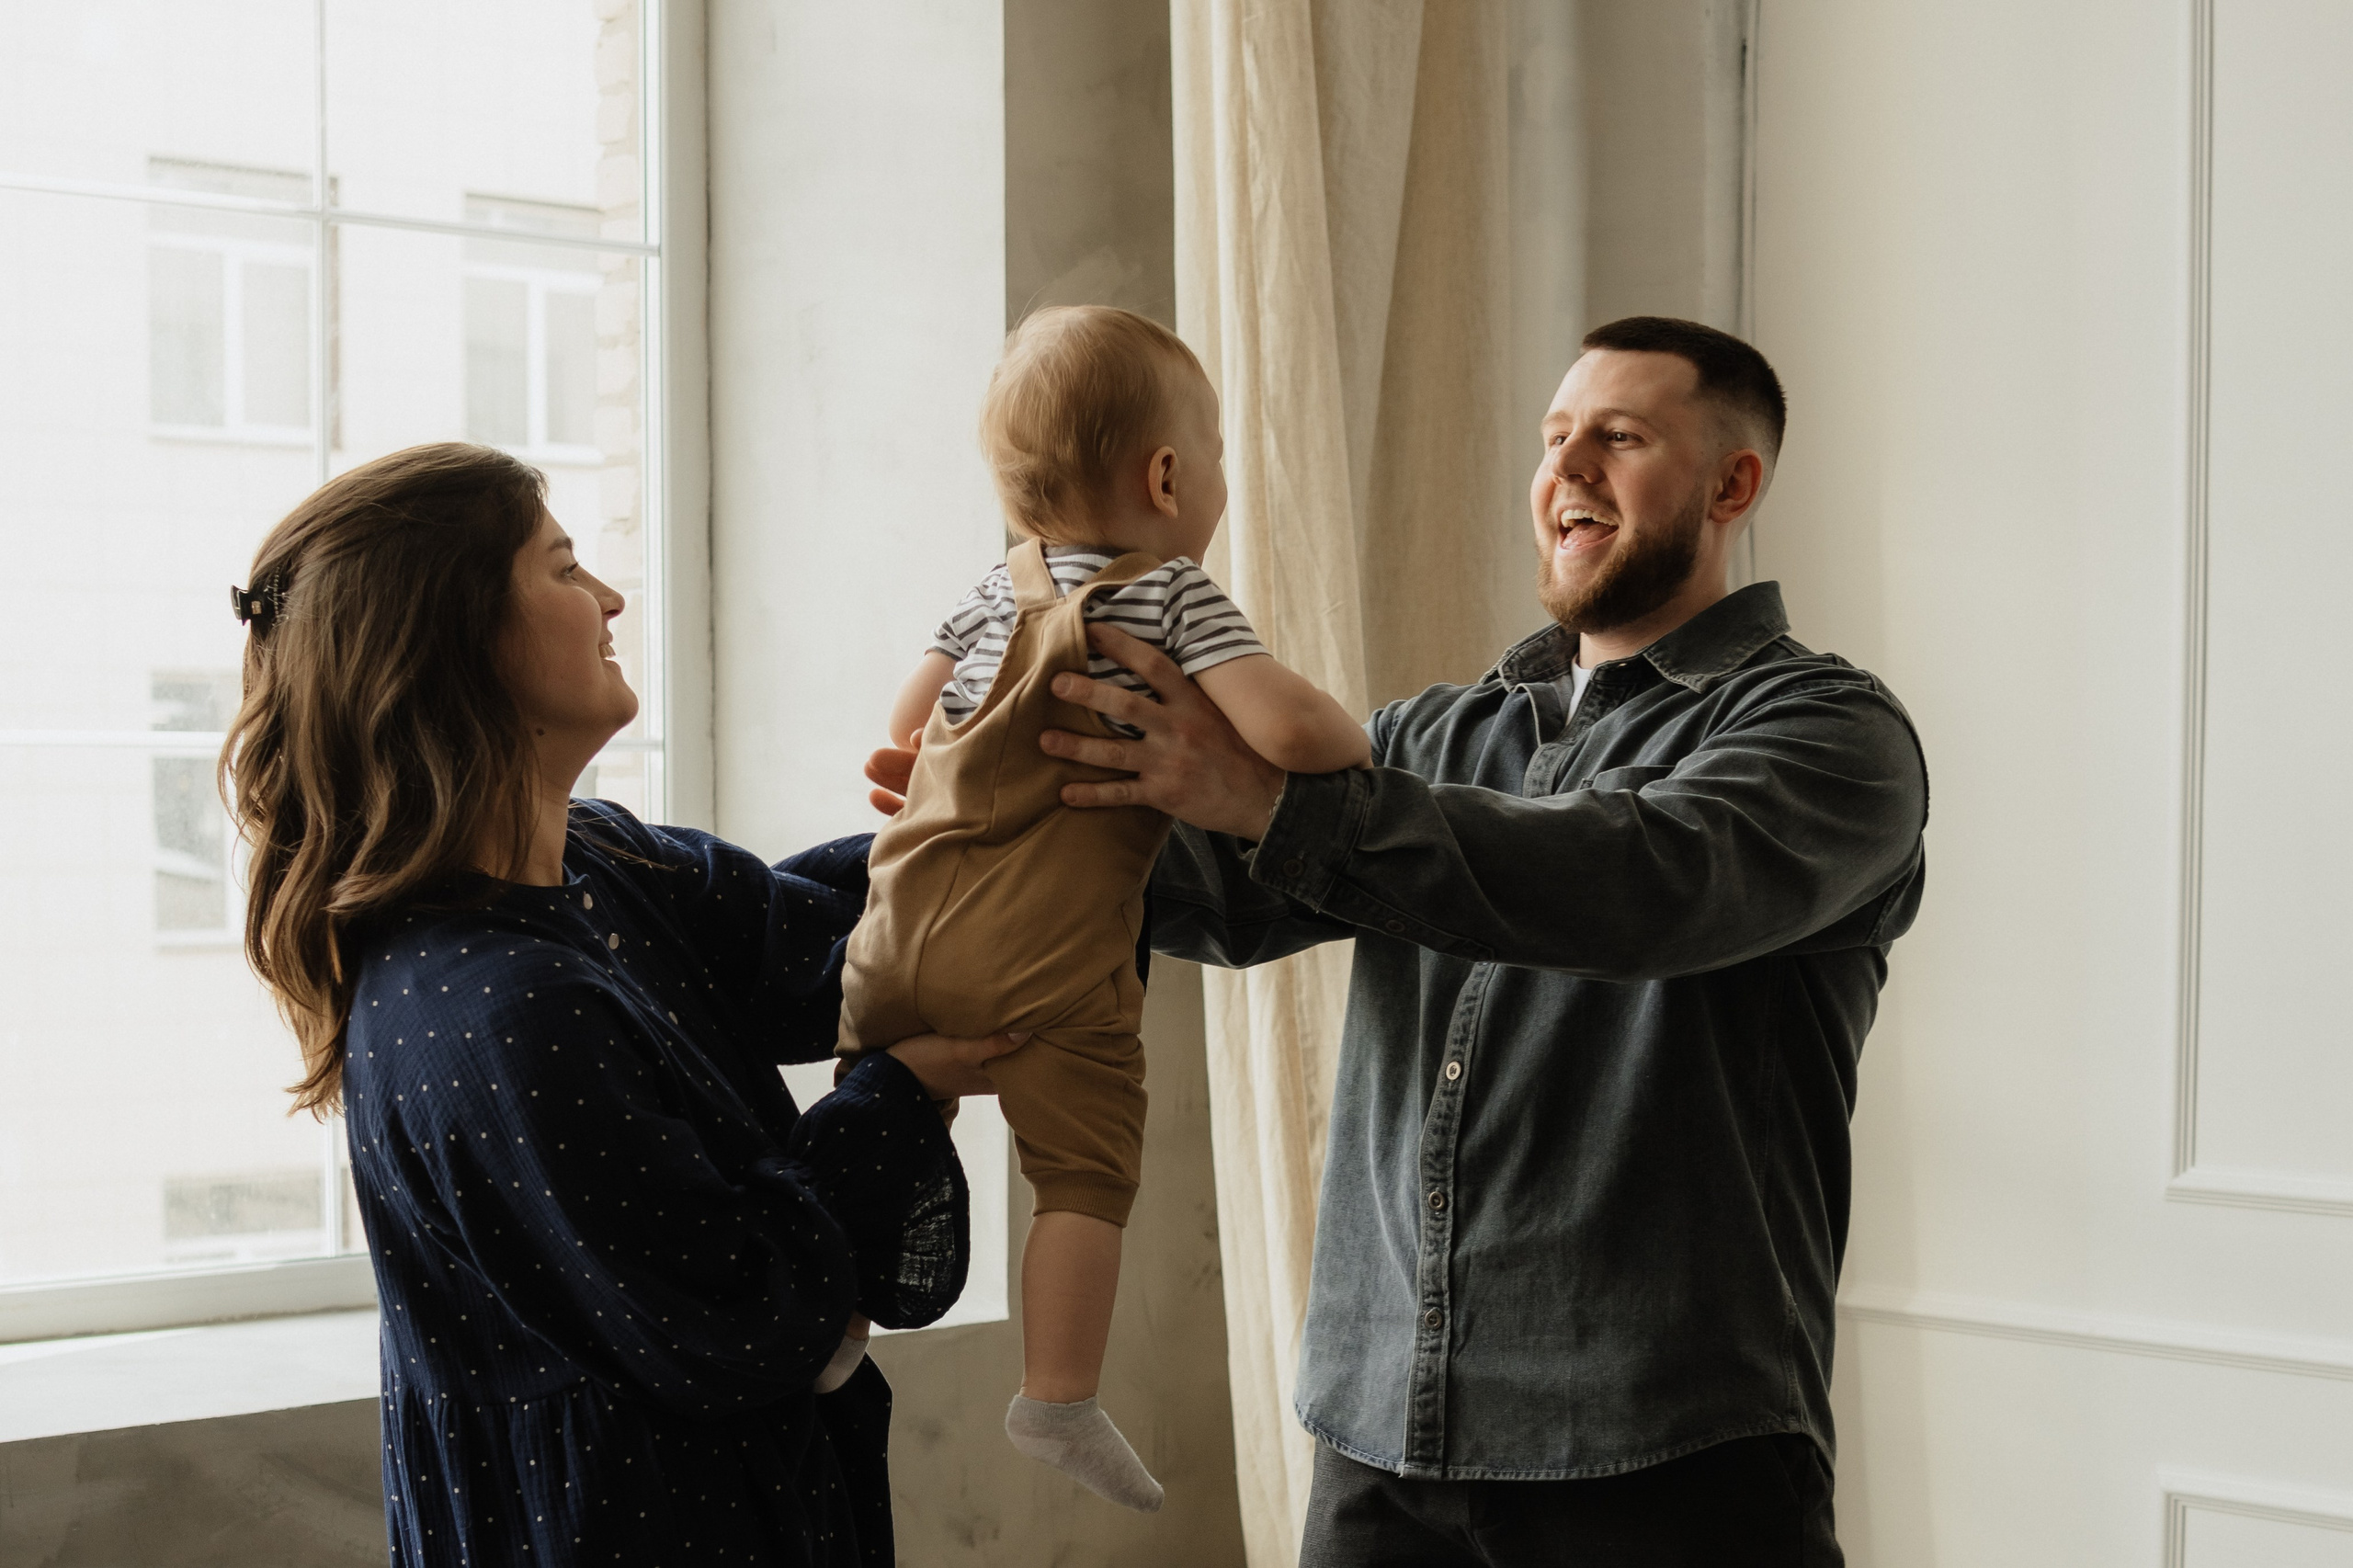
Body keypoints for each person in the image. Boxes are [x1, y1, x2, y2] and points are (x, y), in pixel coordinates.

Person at [870, 316, 1930, 1564]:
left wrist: (1268, 799)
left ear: (1733, 484)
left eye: (1622, 437)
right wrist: (991, 824)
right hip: (1378, 1441)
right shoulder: (1432, 736)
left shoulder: (1832, 732)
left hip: (1668, 1452)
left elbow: (1644, 880)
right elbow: (1211, 891)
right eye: (1552, 439)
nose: (1568, 469)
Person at [222, 442, 1017, 1567]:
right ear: (457, 642)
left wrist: (990, 797)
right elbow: (743, 1306)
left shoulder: (594, 862)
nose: (610, 597)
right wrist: (908, 1086)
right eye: (562, 568)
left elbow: (825, 948)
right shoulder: (501, 1007)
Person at [837, 306, 1368, 1513]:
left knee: (885, 1126)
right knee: (1083, 1164)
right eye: (1219, 451)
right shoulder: (1168, 596)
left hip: (891, 933)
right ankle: (1058, 1392)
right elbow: (1289, 730)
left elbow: (906, 730)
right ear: (1168, 475)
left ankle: (836, 1325)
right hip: (1044, 955)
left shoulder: (989, 589)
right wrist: (1359, 742)